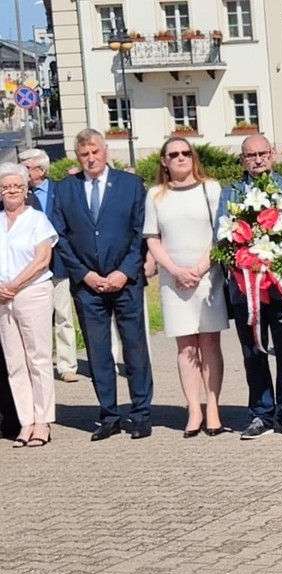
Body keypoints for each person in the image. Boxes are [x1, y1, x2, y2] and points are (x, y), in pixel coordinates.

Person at [50, 128, 152, 441]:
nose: (91, 158)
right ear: (77, 157)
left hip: (126, 281)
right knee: (97, 351)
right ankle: (109, 415)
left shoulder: (130, 185)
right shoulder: (65, 189)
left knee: (134, 348)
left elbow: (141, 231)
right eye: (84, 154)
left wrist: (125, 271)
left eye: (95, 152)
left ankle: (140, 413)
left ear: (105, 151)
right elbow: (60, 236)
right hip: (88, 286)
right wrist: (84, 274)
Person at [216, 134, 282, 440]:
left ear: (273, 155)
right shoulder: (230, 193)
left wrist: (280, 257)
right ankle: (261, 413)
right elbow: (221, 237)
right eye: (250, 155)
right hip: (246, 288)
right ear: (242, 159)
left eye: (263, 153)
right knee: (254, 351)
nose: (258, 160)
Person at [143, 137, 229, 438]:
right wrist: (175, 269)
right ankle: (193, 409)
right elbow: (152, 237)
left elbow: (221, 233)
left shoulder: (210, 188)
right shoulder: (156, 194)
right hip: (174, 279)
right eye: (173, 154)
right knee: (186, 346)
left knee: (209, 342)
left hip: (207, 276)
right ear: (164, 161)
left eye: (185, 153)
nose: (181, 158)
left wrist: (200, 268)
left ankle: (213, 406)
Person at [0, 162, 58, 448]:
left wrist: (14, 285)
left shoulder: (37, 219)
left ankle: (42, 421)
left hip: (32, 292)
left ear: (26, 190)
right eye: (6, 186)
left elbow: (42, 259)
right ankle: (25, 421)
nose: (12, 190)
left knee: (38, 359)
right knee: (15, 363)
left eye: (17, 186)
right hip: (2, 299)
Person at [19, 148, 77, 383]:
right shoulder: (21, 195)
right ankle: (35, 364)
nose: (23, 171)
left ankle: (67, 365)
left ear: (41, 170)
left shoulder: (58, 192)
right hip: (29, 266)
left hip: (59, 264)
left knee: (63, 315)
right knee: (35, 318)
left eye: (26, 167)